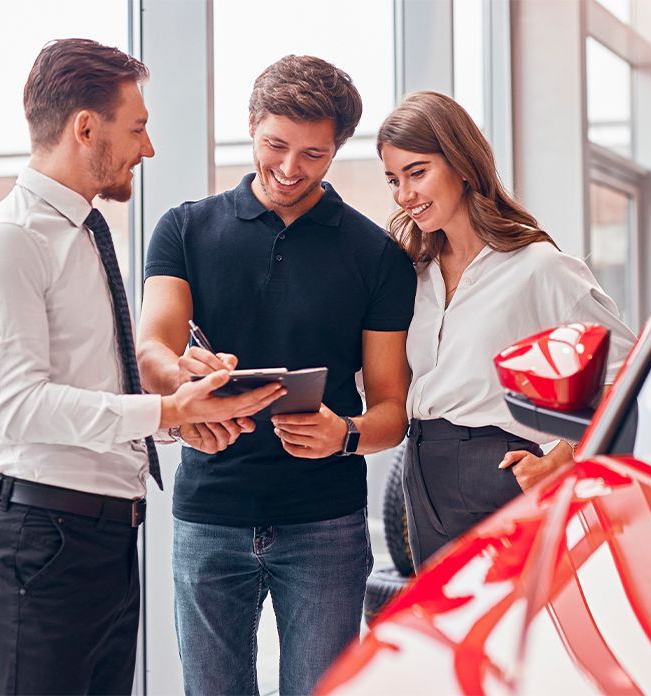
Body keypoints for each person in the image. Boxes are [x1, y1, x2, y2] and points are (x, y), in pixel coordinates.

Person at [0, 38, 283, 695]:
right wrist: (166, 410)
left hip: (101, 542)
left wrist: (181, 412)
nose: (148, 149)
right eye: (137, 128)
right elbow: (16, 408)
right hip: (40, 546)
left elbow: (89, 388)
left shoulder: (82, 236)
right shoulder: (8, 244)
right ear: (84, 127)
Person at [137, 55, 417, 695]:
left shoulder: (376, 256)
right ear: (252, 126)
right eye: (275, 146)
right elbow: (153, 344)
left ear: (338, 149)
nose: (290, 169)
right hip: (209, 515)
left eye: (314, 155)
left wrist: (343, 434)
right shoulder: (185, 228)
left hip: (325, 525)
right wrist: (180, 378)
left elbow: (390, 411)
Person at [377, 91, 636, 569]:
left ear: (461, 164)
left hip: (499, 470)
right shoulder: (413, 274)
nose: (404, 194)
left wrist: (563, 456)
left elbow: (628, 373)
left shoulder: (539, 268)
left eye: (417, 173)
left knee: (514, 634)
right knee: (447, 635)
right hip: (421, 471)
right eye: (394, 180)